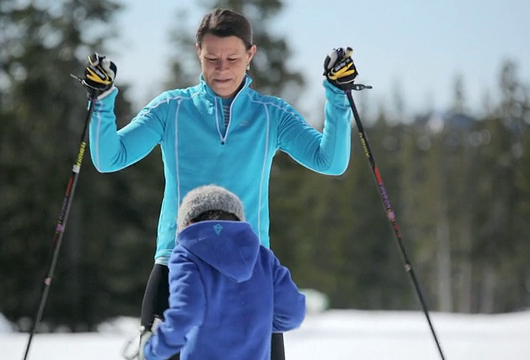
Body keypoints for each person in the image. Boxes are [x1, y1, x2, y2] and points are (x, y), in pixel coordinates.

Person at [81, 8, 358, 360]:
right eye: (212, 58)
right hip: (176, 265)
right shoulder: (172, 109)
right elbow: (110, 158)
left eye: (232, 58)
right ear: (199, 52)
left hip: (249, 271)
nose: (222, 68)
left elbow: (330, 161)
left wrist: (337, 95)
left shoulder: (270, 115)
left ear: (250, 55)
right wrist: (102, 102)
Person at [132, 184, 306, 360]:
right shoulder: (263, 257)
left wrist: (151, 350)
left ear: (188, 222)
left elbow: (187, 312)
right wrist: (255, 325)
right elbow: (293, 312)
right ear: (238, 220)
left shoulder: (186, 254)